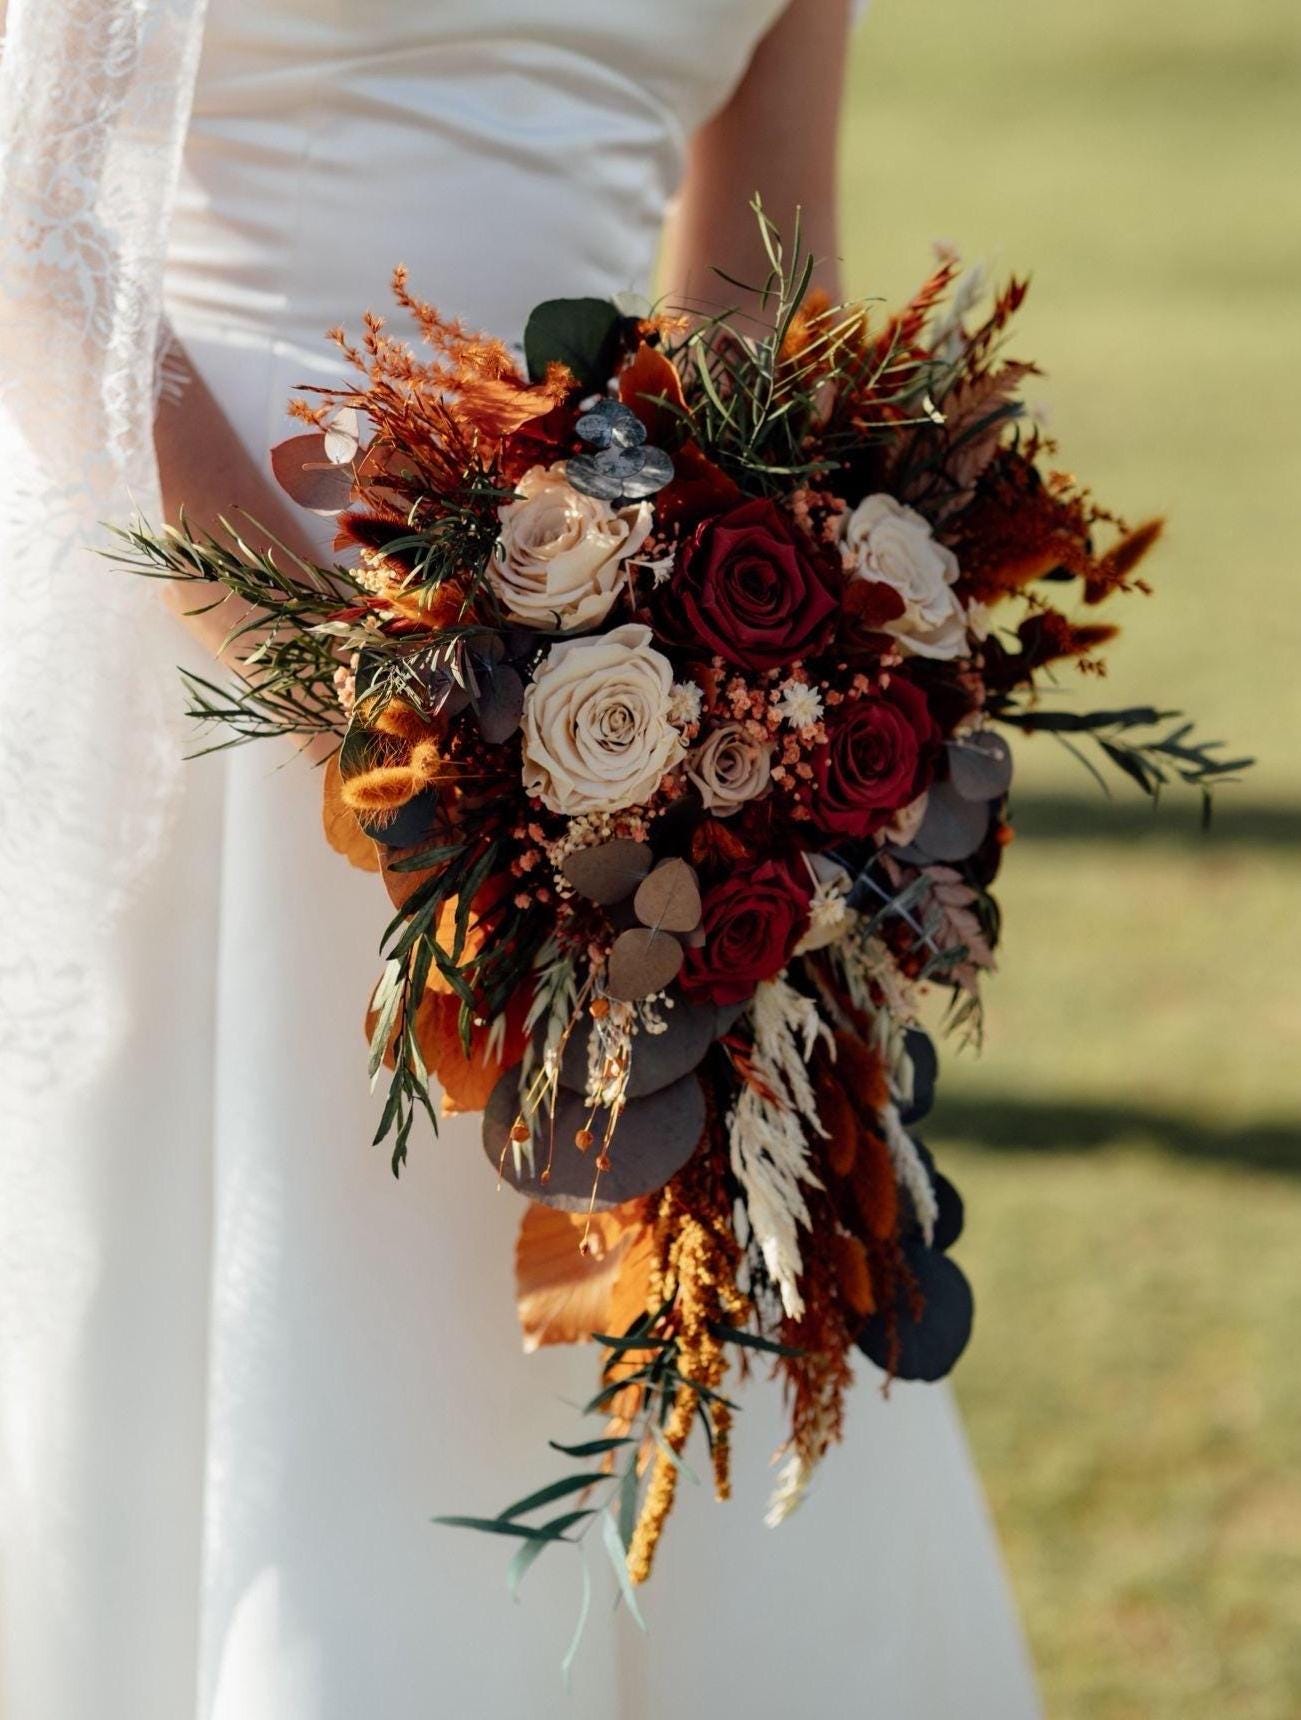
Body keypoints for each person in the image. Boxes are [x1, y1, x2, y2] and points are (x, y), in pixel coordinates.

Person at [0, 2, 1041, 1714]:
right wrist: (370, 706)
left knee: (649, 1263)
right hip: (210, 591)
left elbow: (755, 288)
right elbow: (42, 241)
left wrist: (785, 675)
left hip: (624, 642)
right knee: (290, 1318)